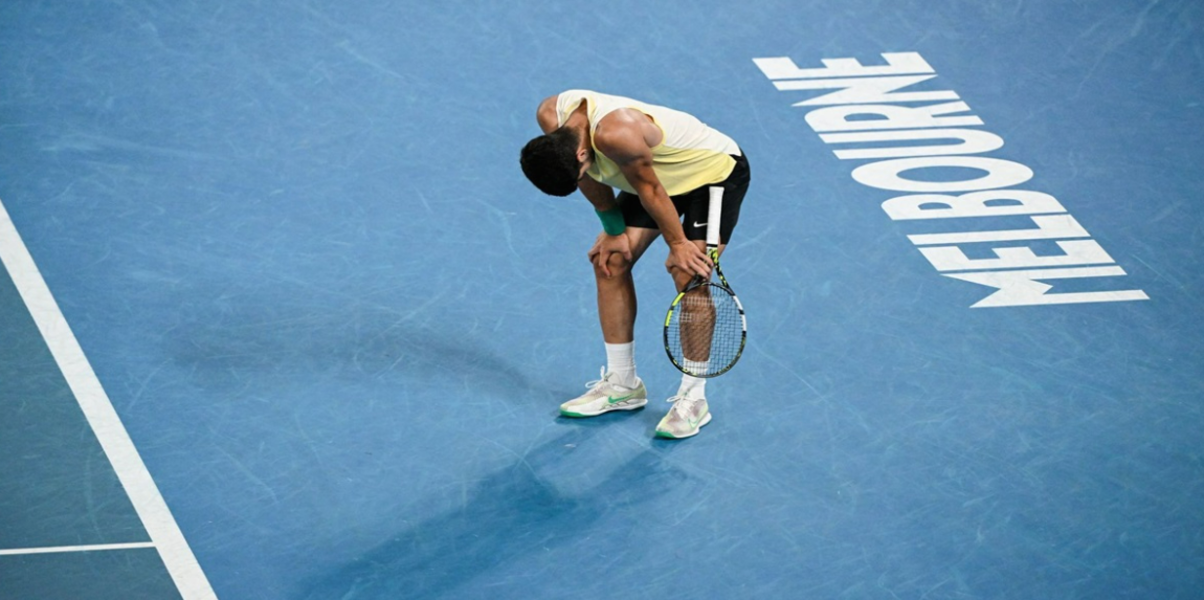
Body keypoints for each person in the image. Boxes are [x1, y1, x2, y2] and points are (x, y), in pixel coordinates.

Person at [519, 90, 750, 439]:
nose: (583, 174)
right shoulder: (552, 117)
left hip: (710, 175)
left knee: (690, 273)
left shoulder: (616, 134)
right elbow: (589, 177)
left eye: (581, 169)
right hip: (650, 176)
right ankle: (622, 384)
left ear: (582, 152)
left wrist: (678, 245)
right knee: (609, 260)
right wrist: (613, 231)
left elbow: (652, 189)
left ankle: (693, 398)